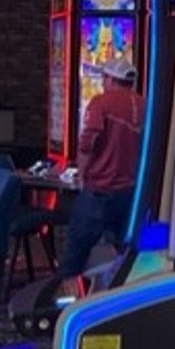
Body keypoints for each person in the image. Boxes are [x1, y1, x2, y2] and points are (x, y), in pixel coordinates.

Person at [59, 58, 143, 281]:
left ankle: (67, 307)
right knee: (128, 255)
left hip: (98, 191)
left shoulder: (101, 103)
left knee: (73, 258)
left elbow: (88, 144)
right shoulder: (145, 105)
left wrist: (81, 175)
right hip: (131, 194)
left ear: (109, 79)